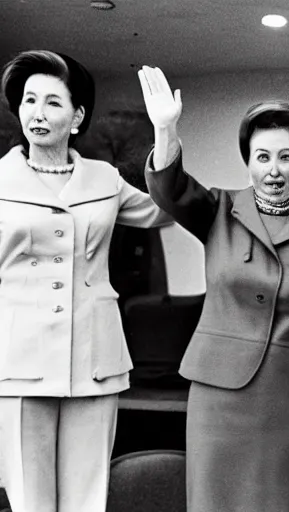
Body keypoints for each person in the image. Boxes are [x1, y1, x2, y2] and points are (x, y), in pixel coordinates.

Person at [138, 66, 289, 512]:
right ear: (248, 162)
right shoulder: (218, 210)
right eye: (262, 157)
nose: (274, 170)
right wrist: (165, 130)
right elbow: (169, 189)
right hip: (219, 400)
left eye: (286, 157)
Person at [0, 50, 173, 512]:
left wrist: (166, 132)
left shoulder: (105, 179)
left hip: (94, 359)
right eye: (28, 100)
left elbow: (168, 209)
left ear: (77, 116)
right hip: (20, 362)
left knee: (87, 500)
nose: (37, 112)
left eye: (53, 102)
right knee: (30, 502)